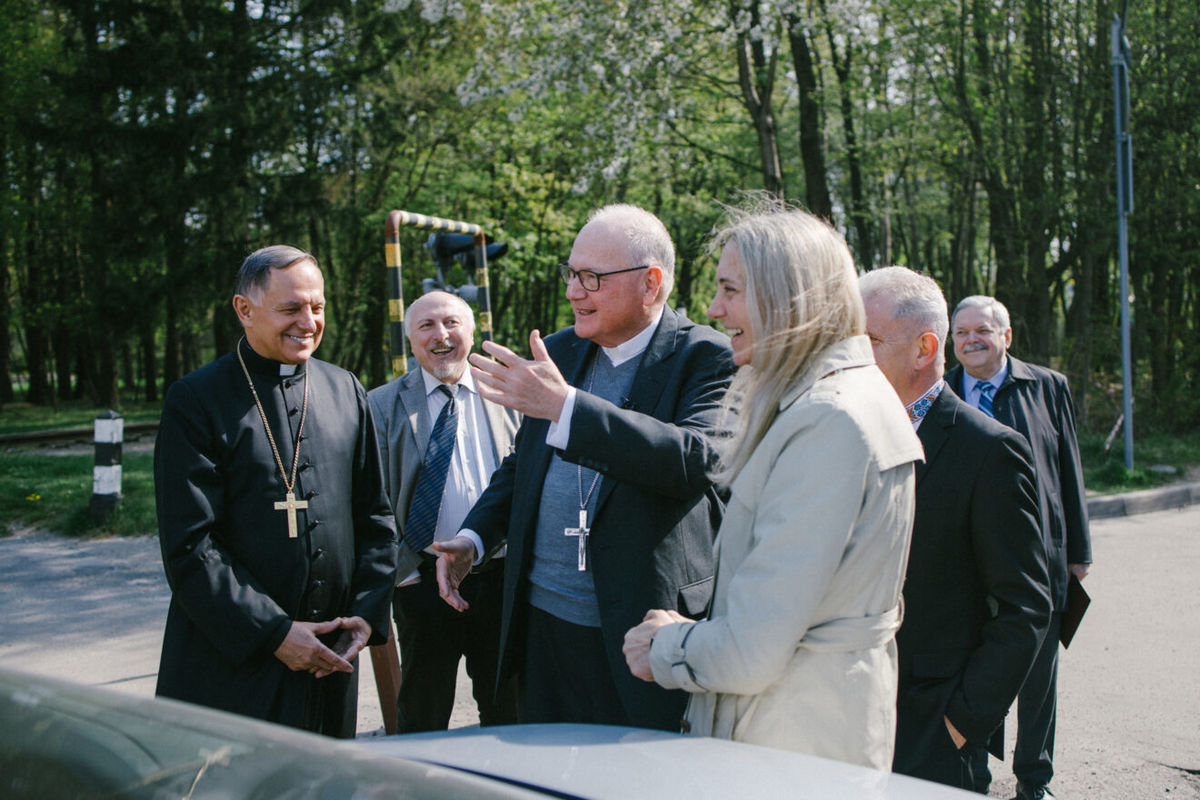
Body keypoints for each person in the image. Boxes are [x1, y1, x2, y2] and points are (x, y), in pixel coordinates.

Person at [622, 206, 923, 769]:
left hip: (787, 745)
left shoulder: (828, 421)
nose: (714, 310)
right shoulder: (841, 399)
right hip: (811, 732)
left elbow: (754, 652)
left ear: (788, 297)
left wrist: (665, 645)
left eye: (730, 289)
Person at [435, 204, 734, 731]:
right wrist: (475, 536)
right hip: (542, 625)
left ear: (650, 283)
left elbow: (692, 460)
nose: (574, 291)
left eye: (592, 278)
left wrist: (566, 408)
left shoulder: (706, 357)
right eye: (571, 274)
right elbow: (522, 465)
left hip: (641, 630)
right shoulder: (558, 351)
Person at [154, 245, 398, 738]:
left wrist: (365, 616)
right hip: (235, 657)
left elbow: (375, 516)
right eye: (290, 309)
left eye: (318, 307)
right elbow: (190, 546)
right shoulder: (197, 400)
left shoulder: (345, 389)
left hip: (330, 656)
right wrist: (274, 633)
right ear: (244, 310)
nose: (308, 322)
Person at [859, 267, 1053, 791]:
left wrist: (959, 725)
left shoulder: (988, 450)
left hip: (931, 730)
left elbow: (1025, 607)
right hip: (846, 717)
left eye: (868, 340)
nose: (851, 356)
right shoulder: (847, 433)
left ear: (924, 348)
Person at [947, 295, 1093, 800]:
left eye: (983, 331)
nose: (971, 340)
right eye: (961, 331)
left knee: (1037, 682)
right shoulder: (938, 391)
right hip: (965, 563)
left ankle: (1035, 780)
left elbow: (1069, 472)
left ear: (1006, 336)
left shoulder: (1047, 387)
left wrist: (1079, 549)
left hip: (1039, 558)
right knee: (975, 673)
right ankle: (973, 778)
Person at [367, 291, 519, 732]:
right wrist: (405, 574)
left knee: (507, 706)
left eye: (452, 323)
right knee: (424, 711)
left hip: (500, 575)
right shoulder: (381, 405)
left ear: (471, 332)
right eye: (427, 326)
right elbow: (371, 497)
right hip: (422, 582)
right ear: (410, 339)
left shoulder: (506, 393)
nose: (441, 335)